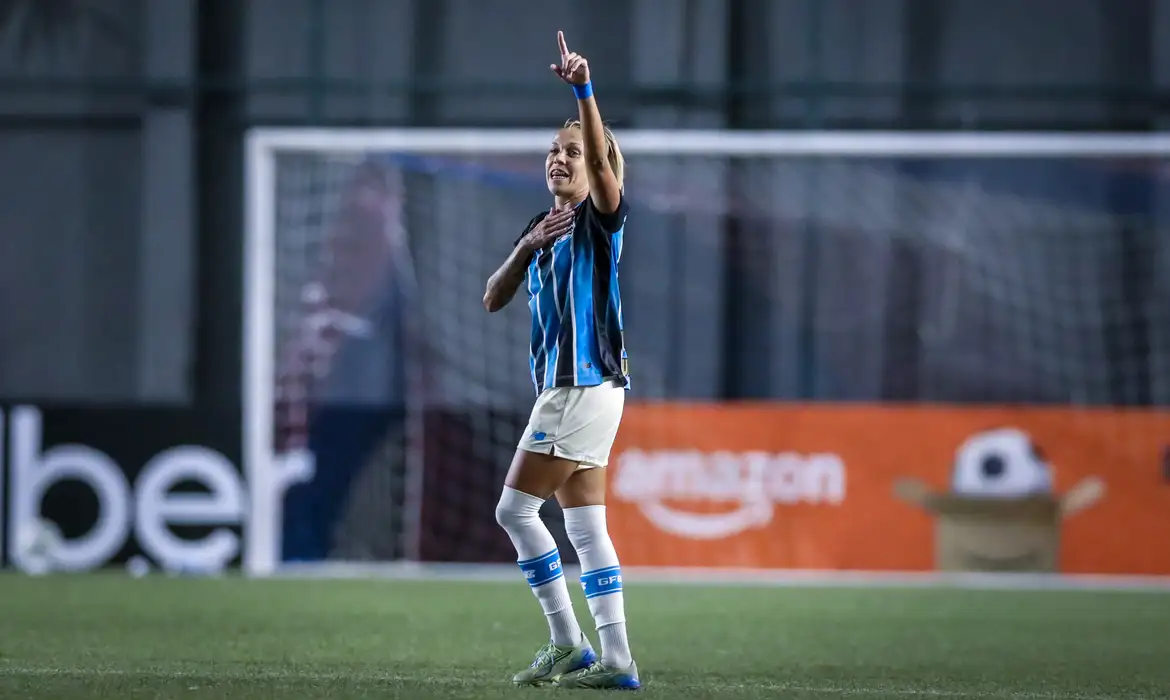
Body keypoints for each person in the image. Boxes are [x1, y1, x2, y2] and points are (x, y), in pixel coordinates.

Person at [481, 30, 640, 691]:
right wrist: (524, 249)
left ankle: (567, 641)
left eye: (572, 151)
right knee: (584, 524)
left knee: (514, 513)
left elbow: (604, 168)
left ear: (596, 162)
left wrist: (583, 92)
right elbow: (493, 297)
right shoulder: (539, 229)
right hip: (590, 390)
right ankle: (619, 662)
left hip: (581, 385)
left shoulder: (599, 219)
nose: (559, 157)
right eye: (554, 149)